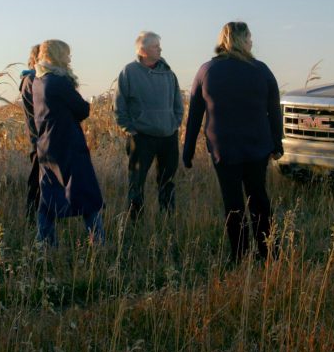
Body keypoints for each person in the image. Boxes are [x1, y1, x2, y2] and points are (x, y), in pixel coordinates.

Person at [182, 22, 283, 263]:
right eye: (249, 38)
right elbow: (274, 111)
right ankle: (267, 252)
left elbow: (195, 114)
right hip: (257, 147)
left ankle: (239, 255)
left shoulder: (207, 70)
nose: (251, 42)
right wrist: (277, 144)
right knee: (259, 198)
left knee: (233, 202)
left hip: (223, 149)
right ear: (242, 40)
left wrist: (187, 151)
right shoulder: (261, 70)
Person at [33, 39, 105, 246]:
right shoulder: (58, 82)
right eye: (66, 53)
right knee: (87, 194)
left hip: (46, 145)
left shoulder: (38, 81)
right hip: (69, 146)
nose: (69, 58)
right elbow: (82, 109)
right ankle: (98, 241)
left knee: (48, 197)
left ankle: (45, 243)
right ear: (57, 55)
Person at [114, 31, 183, 220]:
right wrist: (130, 130)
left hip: (168, 136)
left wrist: (175, 123)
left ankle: (168, 217)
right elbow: (119, 106)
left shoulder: (168, 72)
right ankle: (135, 221)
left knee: (167, 181)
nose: (160, 49)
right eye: (155, 46)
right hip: (141, 137)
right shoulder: (129, 72)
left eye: (159, 46)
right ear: (143, 50)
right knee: (136, 181)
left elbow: (178, 103)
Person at [18, 44, 41, 220]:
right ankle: (32, 218)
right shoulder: (33, 80)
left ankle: (35, 217)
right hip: (40, 138)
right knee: (37, 181)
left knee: (39, 181)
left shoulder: (31, 79)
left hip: (39, 137)